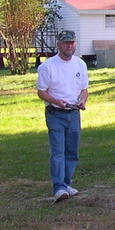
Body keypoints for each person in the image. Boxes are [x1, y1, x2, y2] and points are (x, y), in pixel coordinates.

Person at [36, 30, 89, 203]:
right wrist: (56, 101)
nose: (69, 46)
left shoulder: (80, 64)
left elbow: (84, 89)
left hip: (73, 113)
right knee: (58, 151)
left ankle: (66, 183)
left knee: (72, 151)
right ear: (58, 44)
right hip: (56, 114)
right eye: (66, 43)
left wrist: (81, 100)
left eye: (72, 42)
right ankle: (58, 187)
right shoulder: (47, 66)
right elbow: (41, 92)